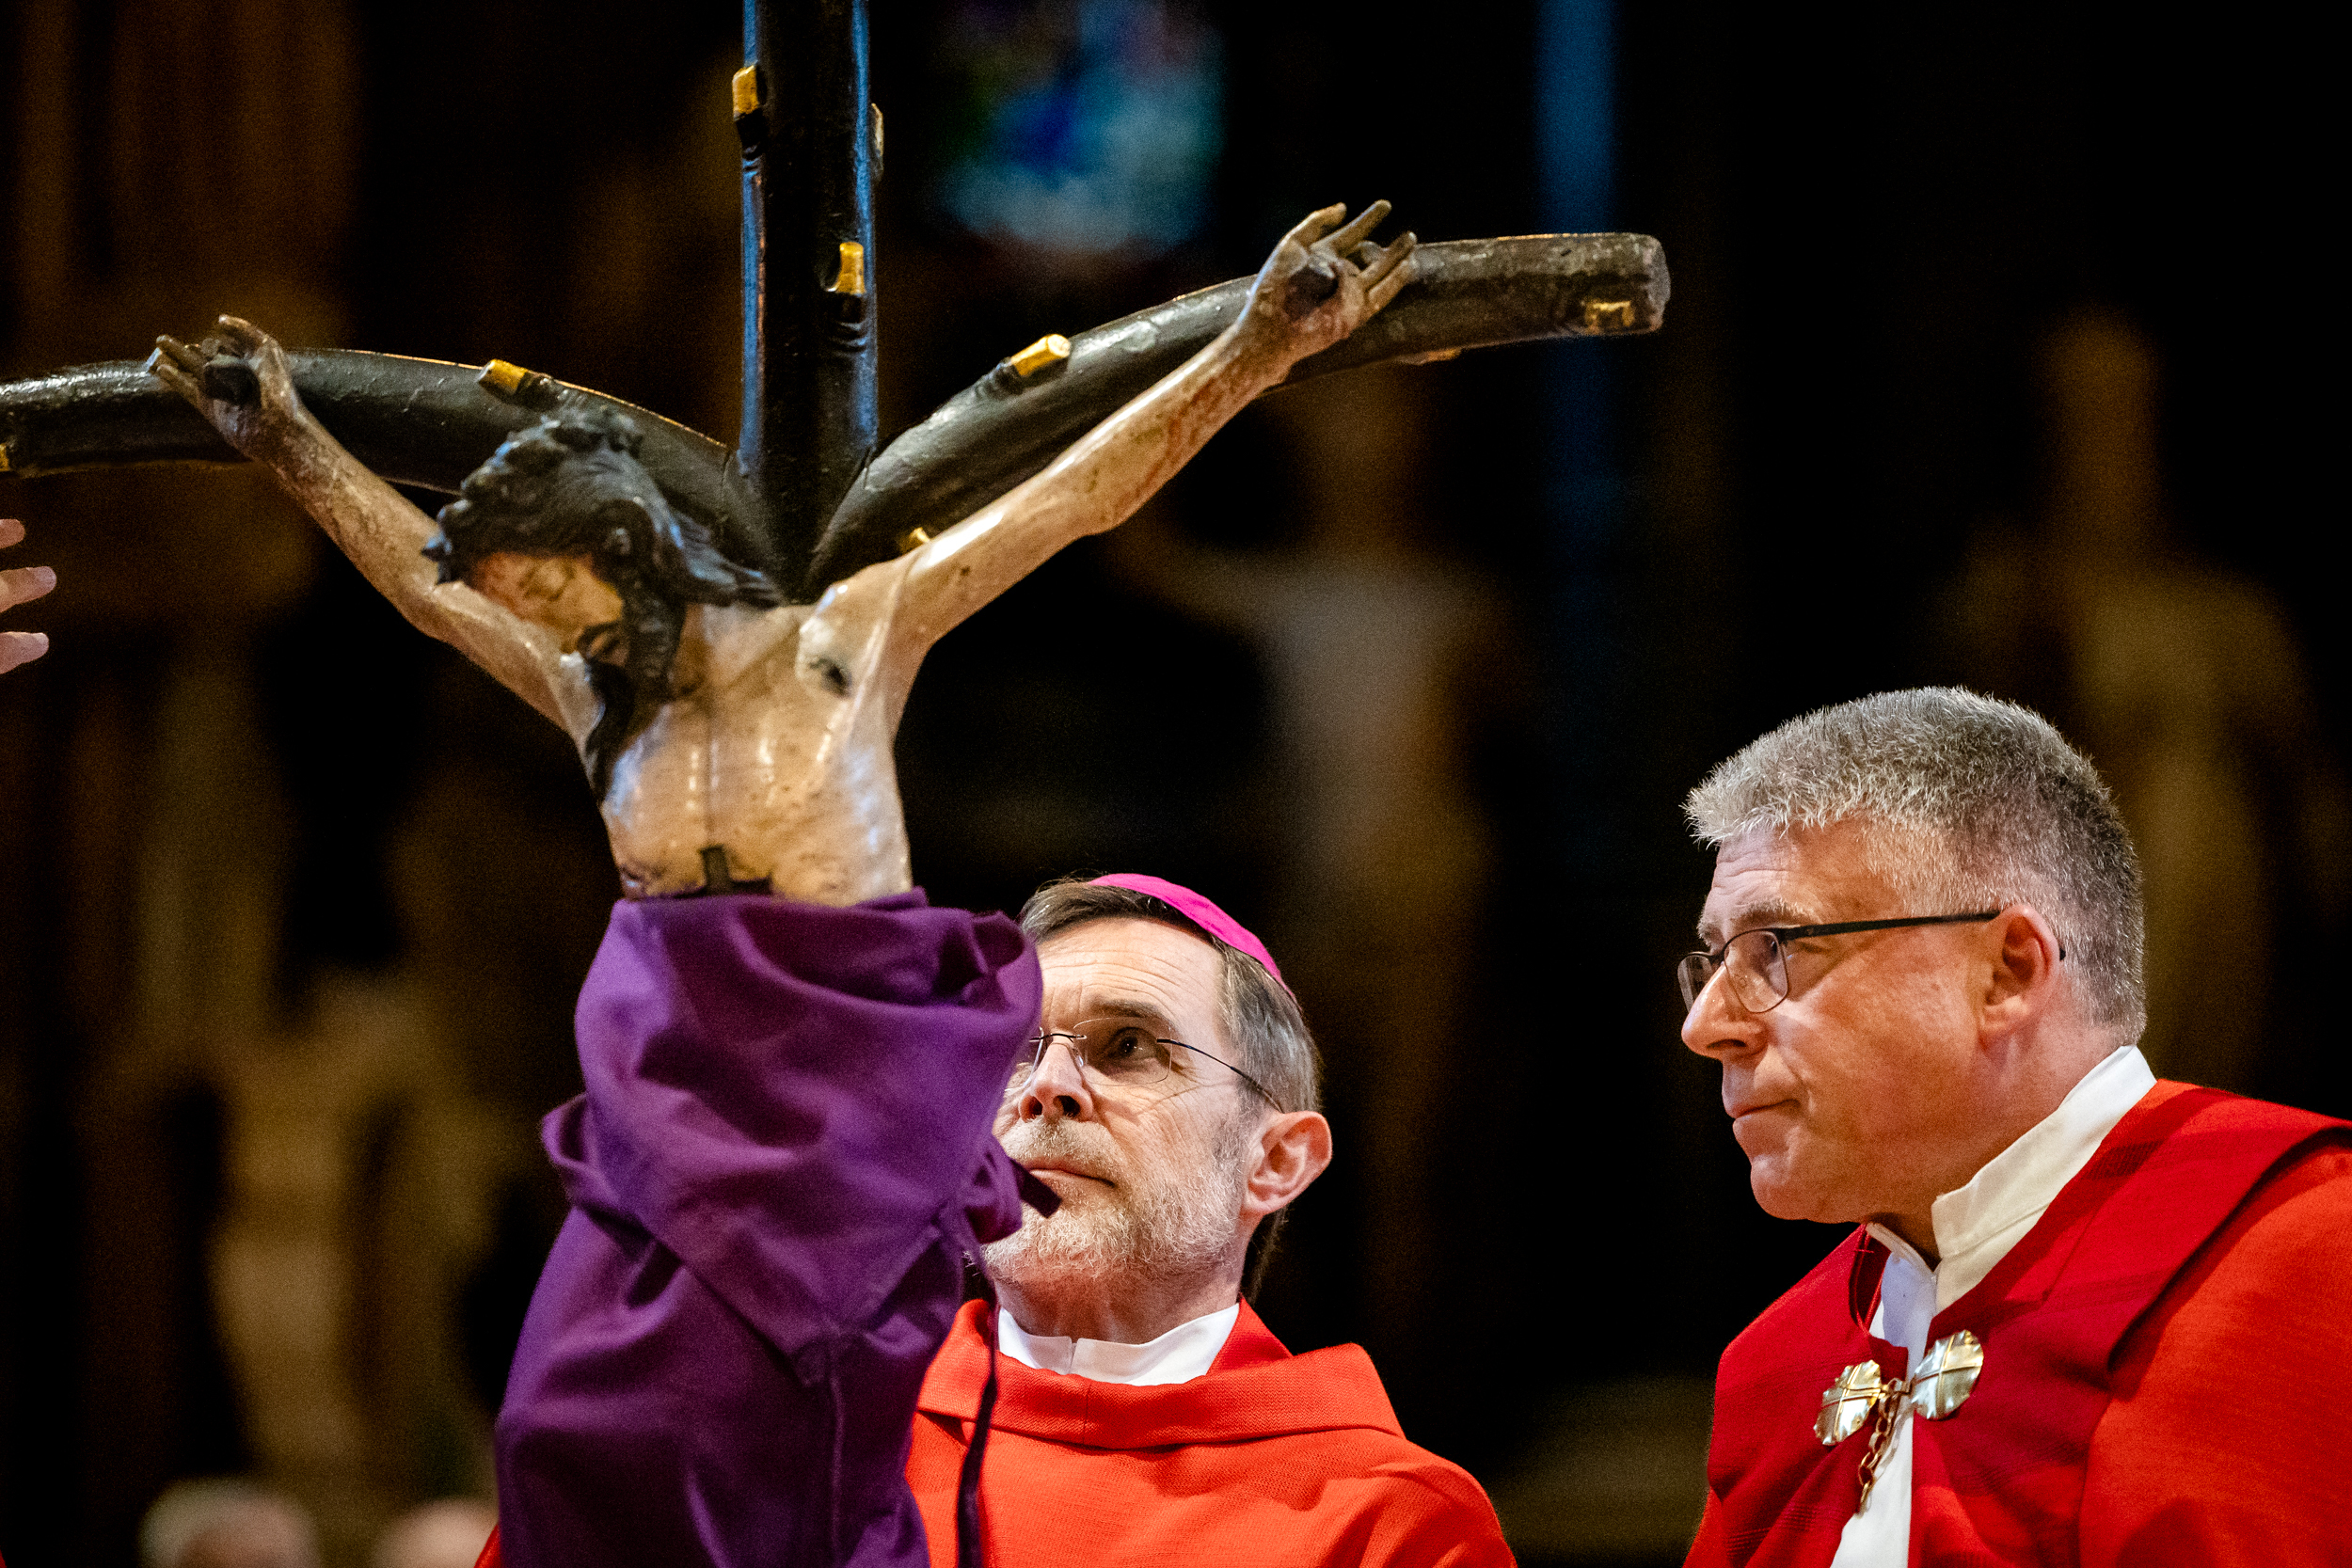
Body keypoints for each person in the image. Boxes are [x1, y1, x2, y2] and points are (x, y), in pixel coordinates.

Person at [128, 204, 1446, 1568]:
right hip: (663, 1090)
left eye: (1126, 1045)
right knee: (564, 1432)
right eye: (1031, 1044)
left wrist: (1255, 348)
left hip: (827, 1088)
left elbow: (1076, 496)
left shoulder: (842, 642)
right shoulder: (599, 695)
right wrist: (289, 446)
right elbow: (426, 593)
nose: (1047, 1089)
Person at [1674, 688, 2352, 1566]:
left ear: (2007, 972)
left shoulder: (2311, 1263)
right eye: (1713, 960)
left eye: (1778, 948)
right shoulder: (1775, 1372)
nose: (1705, 1025)